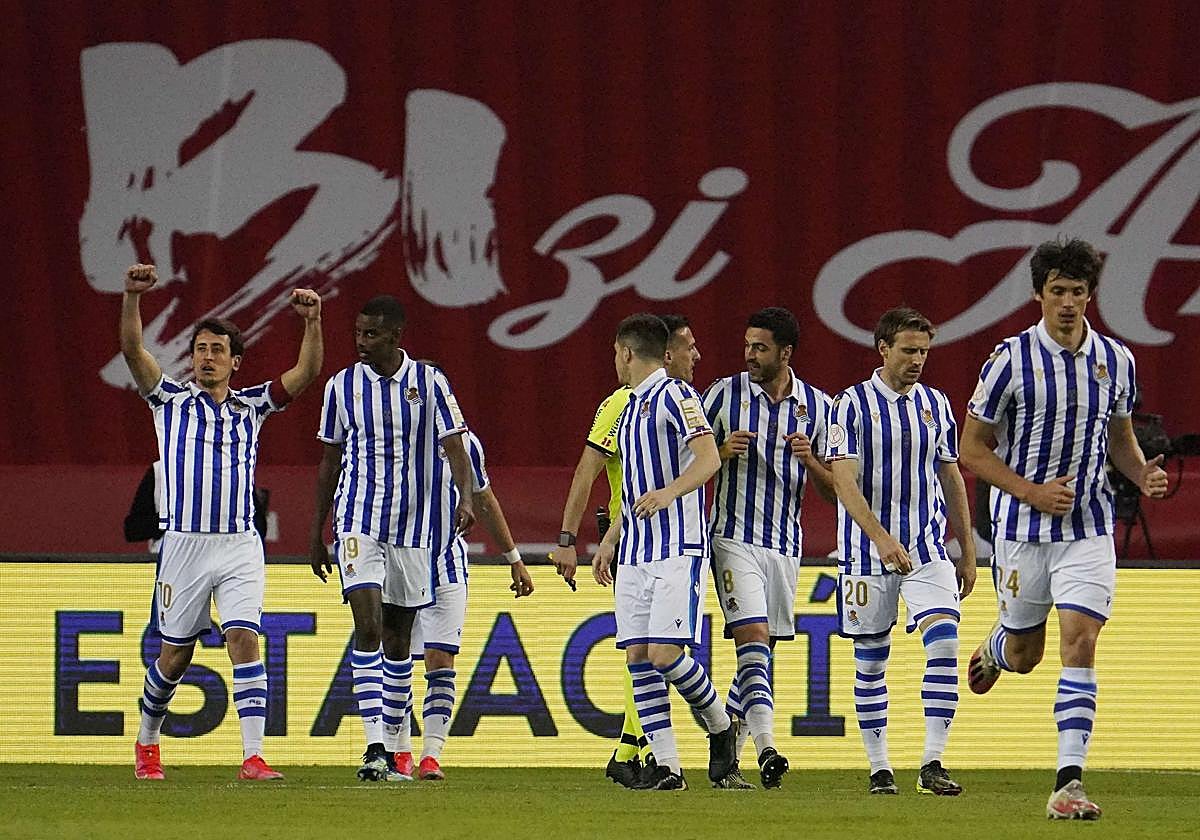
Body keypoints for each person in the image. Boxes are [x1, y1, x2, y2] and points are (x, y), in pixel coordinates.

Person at [960, 238, 1168, 820]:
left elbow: (1120, 441)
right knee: (1028, 654)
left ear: (1090, 296)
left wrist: (1141, 474)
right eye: (1058, 291)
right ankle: (999, 645)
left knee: (1081, 640)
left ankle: (1068, 784)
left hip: (1089, 527)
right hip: (1023, 530)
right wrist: (1029, 491)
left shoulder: (1117, 361)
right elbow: (971, 449)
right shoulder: (1008, 361)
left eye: (1078, 291)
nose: (1069, 302)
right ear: (1038, 295)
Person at [122, 263, 323, 781]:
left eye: (217, 351)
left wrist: (312, 323)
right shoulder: (168, 402)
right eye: (200, 350)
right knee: (174, 657)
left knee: (244, 639)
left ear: (236, 361)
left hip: (239, 544)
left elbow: (304, 377)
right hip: (184, 546)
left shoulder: (252, 406)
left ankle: (253, 757)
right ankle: (147, 743)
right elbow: (133, 353)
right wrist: (131, 297)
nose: (206, 358)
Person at [308, 295, 477, 782]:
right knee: (368, 624)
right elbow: (329, 462)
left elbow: (455, 447)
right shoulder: (342, 386)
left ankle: (395, 747)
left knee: (400, 638)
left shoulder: (429, 384)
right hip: (359, 520)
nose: (361, 343)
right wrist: (317, 530)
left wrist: (464, 498)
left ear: (396, 336)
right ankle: (375, 747)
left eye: (372, 335)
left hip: (414, 529)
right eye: (358, 333)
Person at [826, 307, 975, 797]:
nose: (918, 360)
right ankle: (879, 767)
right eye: (909, 350)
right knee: (871, 663)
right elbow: (844, 483)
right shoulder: (849, 405)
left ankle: (932, 762)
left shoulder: (935, 404)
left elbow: (951, 476)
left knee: (945, 642)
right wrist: (881, 539)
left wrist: (968, 550)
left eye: (924, 352)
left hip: (928, 548)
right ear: (883, 348)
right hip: (866, 554)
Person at [552, 315, 700, 787]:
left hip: (662, 537)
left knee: (649, 654)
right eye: (688, 347)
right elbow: (586, 471)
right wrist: (570, 539)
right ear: (665, 352)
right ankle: (638, 749)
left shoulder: (671, 400)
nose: (695, 356)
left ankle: (637, 748)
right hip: (632, 538)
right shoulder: (619, 406)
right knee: (640, 653)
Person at [591, 313, 736, 791]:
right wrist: (609, 542)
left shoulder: (677, 395)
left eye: (616, 354)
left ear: (628, 353)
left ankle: (720, 724)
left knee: (665, 653)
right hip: (634, 551)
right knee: (637, 658)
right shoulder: (629, 410)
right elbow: (634, 488)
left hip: (677, 547)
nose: (615, 362)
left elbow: (710, 457)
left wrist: (670, 494)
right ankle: (669, 768)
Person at [701, 306, 836, 789]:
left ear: (786, 352)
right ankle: (768, 748)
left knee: (759, 655)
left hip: (785, 545)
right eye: (746, 346)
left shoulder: (821, 407)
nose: (749, 356)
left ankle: (726, 763)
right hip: (732, 538)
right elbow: (685, 467)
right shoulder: (721, 395)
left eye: (759, 347)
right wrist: (719, 452)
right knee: (754, 639)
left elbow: (835, 490)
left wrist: (813, 461)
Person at [390, 366, 534, 781]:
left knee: (440, 659)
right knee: (396, 656)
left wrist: (513, 558)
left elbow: (485, 499)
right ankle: (399, 750)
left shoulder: (467, 444)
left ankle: (431, 754)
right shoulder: (392, 441)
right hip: (399, 560)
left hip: (447, 563)